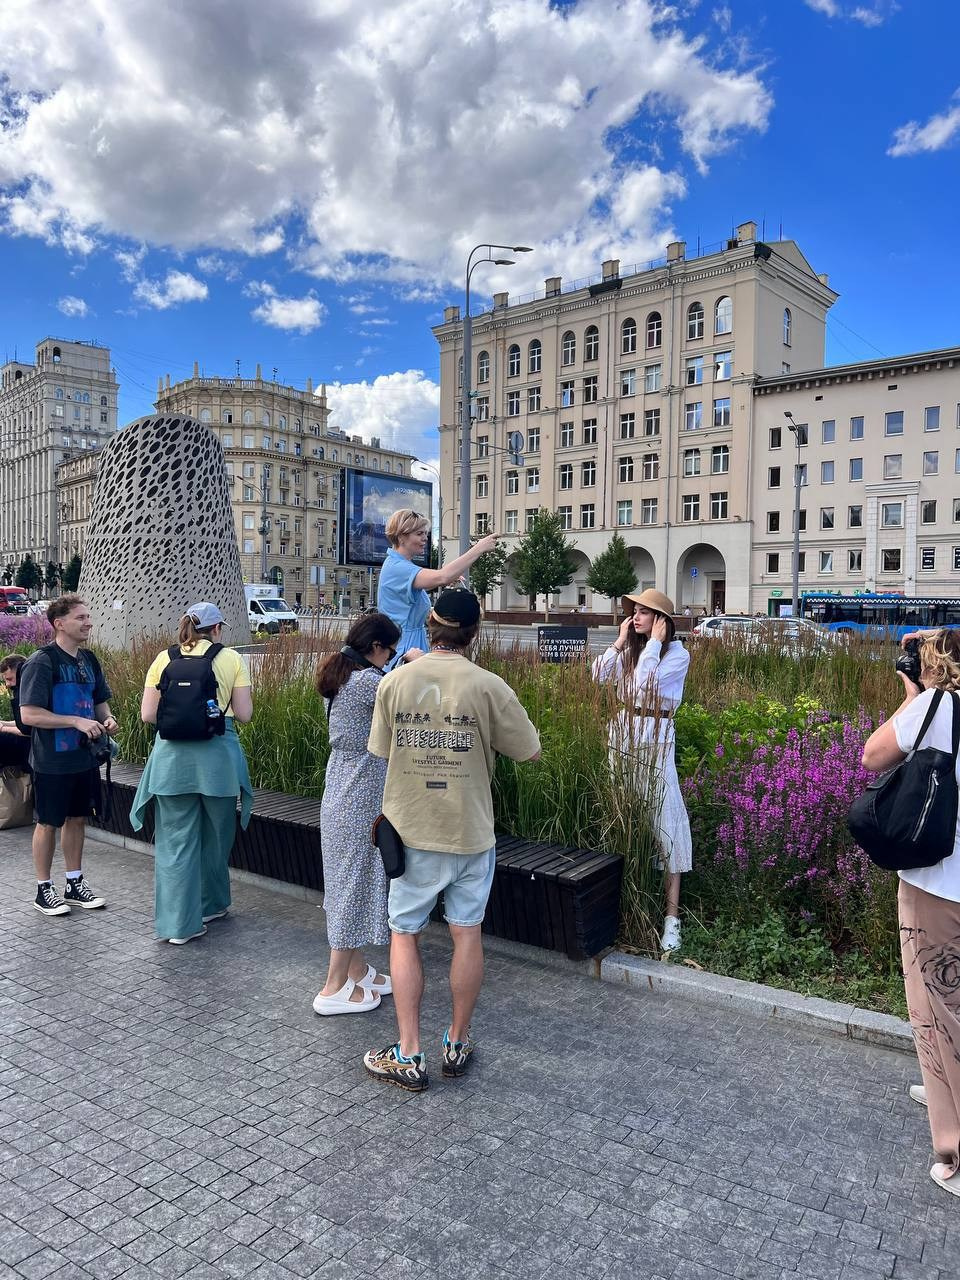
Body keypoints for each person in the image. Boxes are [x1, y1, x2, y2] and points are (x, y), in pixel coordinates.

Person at [362, 588, 540, 1091]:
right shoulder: (489, 686)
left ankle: (409, 1051)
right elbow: (529, 750)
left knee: (404, 933)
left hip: (411, 829)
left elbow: (380, 751)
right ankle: (457, 1042)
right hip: (469, 830)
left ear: (431, 627)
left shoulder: (395, 683)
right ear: (474, 634)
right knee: (467, 932)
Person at [861, 629, 960, 1198]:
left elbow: (872, 755)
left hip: (938, 884)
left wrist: (911, 696)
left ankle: (954, 1152)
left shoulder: (937, 706)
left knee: (938, 1010)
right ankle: (940, 1080)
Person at [131, 603, 253, 945]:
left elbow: (147, 715)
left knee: (175, 842)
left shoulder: (162, 658)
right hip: (218, 762)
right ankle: (210, 904)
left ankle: (178, 926)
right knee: (217, 836)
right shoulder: (231, 659)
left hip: (171, 763)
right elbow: (244, 715)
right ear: (216, 630)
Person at [592, 589, 692, 953]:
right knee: (625, 819)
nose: (635, 616)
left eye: (644, 612)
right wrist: (619, 643)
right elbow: (598, 676)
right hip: (623, 737)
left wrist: (653, 646)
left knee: (666, 824)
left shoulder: (678, 656)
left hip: (656, 741)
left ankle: (672, 918)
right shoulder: (632, 650)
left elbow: (642, 688)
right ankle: (624, 907)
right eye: (633, 611)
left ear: (662, 621)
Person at [314, 611, 401, 1014]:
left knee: (346, 879)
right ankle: (332, 987)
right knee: (352, 883)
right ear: (376, 648)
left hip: (342, 786)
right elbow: (403, 695)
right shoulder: (368, 681)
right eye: (391, 650)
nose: (393, 657)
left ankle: (357, 970)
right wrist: (416, 663)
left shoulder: (343, 674)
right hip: (360, 792)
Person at [17, 595, 117, 916]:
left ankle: (74, 883)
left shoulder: (89, 660)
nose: (88, 622)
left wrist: (107, 719)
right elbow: (29, 714)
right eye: (80, 618)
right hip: (51, 761)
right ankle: (43, 889)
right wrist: (74, 720)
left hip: (84, 758)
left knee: (77, 818)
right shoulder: (42, 662)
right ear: (59, 624)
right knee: (48, 822)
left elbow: (99, 701)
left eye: (88, 617)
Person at [376, 509, 499, 664]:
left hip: (408, 644)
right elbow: (442, 576)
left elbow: (437, 579)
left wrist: (445, 579)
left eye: (425, 534)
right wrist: (479, 548)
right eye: (419, 534)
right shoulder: (398, 568)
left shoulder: (399, 565)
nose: (424, 538)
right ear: (401, 537)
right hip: (405, 648)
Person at [0, 653, 30, 770]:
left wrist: (3, 728)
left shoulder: (30, 691)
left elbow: (29, 729)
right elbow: (23, 721)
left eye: (9, 679)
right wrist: (3, 722)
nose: (7, 685)